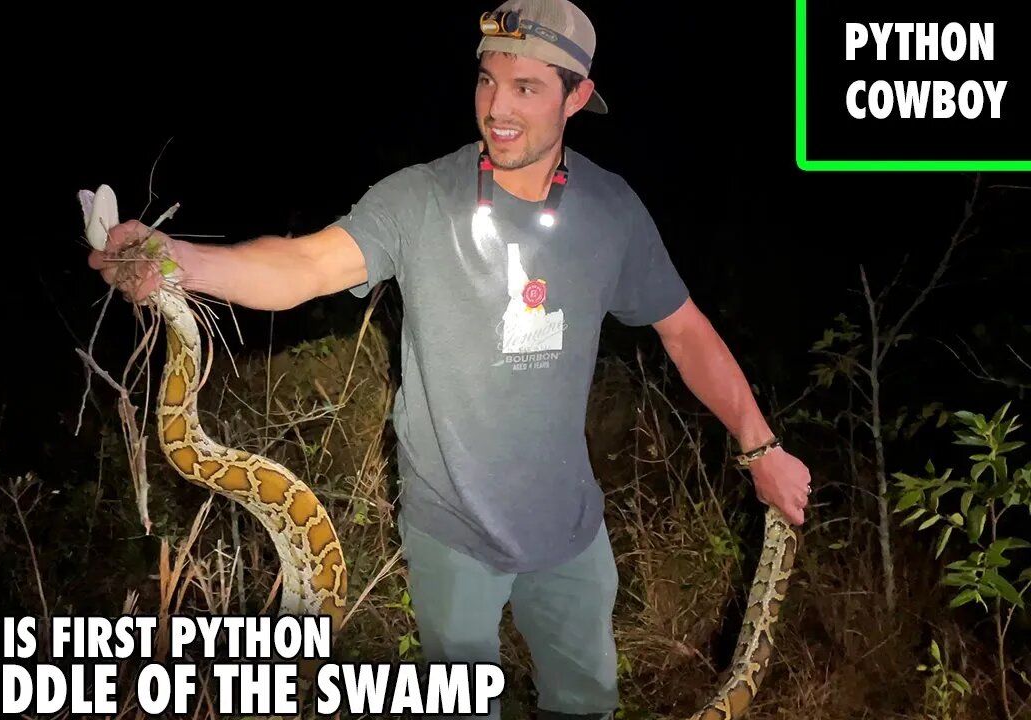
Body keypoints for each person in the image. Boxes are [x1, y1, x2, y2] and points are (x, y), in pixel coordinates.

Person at [89, 1, 812, 717]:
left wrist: (761, 446)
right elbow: (302, 266)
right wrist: (180, 261)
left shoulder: (612, 210)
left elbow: (684, 331)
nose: (497, 107)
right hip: (450, 540)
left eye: (527, 88)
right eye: (487, 80)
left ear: (578, 97)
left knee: (587, 703)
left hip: (570, 538)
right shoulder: (419, 199)